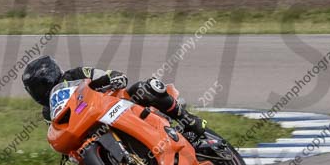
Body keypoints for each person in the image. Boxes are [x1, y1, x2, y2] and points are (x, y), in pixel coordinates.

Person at [21, 56, 206, 138]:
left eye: (41, 86)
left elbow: (100, 73)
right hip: (92, 127)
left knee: (144, 87)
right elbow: (61, 131)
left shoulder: (73, 75)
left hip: (114, 101)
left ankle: (187, 119)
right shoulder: (49, 112)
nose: (40, 92)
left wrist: (112, 77)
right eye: (35, 89)